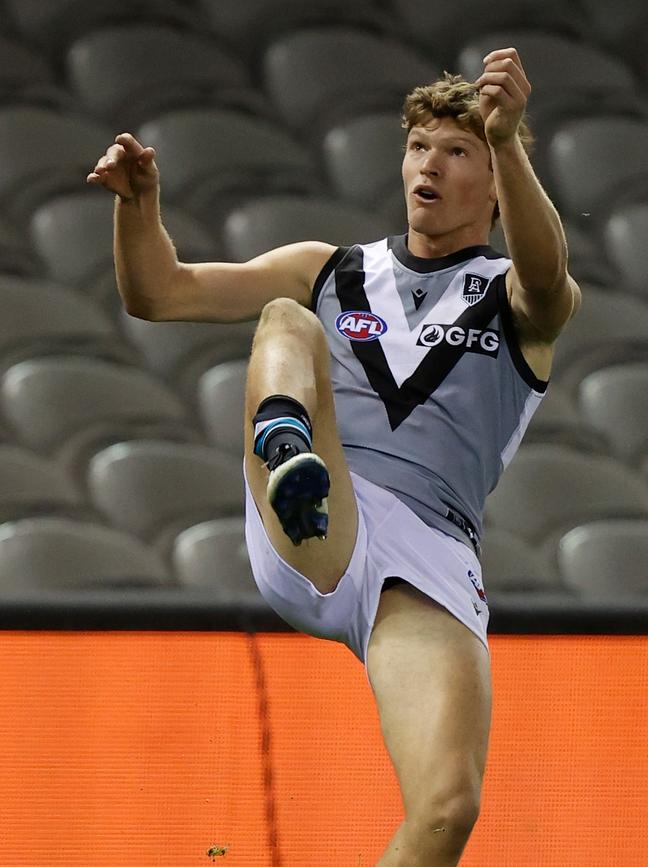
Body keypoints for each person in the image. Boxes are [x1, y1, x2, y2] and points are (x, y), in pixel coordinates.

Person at [87, 47, 580, 866]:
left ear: (495, 182)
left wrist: (509, 138)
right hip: (318, 509)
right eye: (420, 145)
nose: (430, 163)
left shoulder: (520, 296)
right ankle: (288, 448)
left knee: (448, 807)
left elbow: (547, 270)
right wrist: (138, 207)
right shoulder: (331, 269)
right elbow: (157, 292)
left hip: (429, 555)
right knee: (287, 318)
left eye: (458, 152)